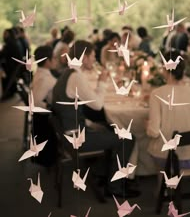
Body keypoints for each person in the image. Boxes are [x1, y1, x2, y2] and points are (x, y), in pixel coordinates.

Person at [52, 40, 139, 197]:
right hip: (76, 137)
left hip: (68, 132)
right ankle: (115, 187)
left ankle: (101, 173)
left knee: (109, 127)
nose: (94, 59)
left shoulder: (69, 73)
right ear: (84, 57)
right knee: (128, 137)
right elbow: (98, 105)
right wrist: (102, 83)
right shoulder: (76, 77)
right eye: (92, 56)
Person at [147, 50, 190, 169]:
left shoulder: (157, 93)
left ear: (164, 69)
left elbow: (154, 132)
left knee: (153, 146)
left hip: (166, 156)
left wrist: (147, 126)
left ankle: (162, 185)